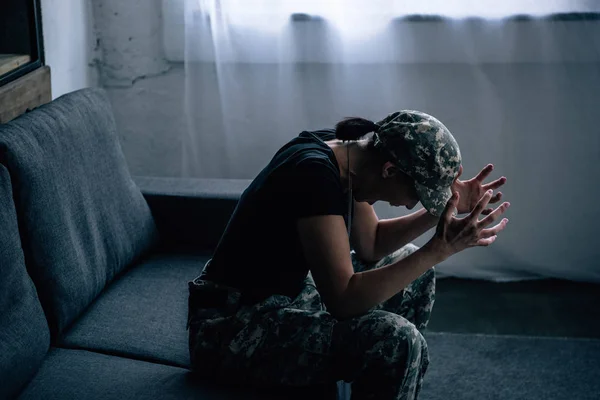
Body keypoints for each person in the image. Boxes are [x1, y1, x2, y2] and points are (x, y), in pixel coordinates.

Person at [187, 110, 509, 399]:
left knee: (415, 270)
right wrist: (439, 249)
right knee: (397, 341)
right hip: (230, 327)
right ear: (389, 170)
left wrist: (441, 211)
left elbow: (372, 243)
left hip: (286, 298)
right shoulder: (314, 174)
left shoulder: (350, 156)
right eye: (418, 194)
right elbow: (342, 299)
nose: (414, 204)